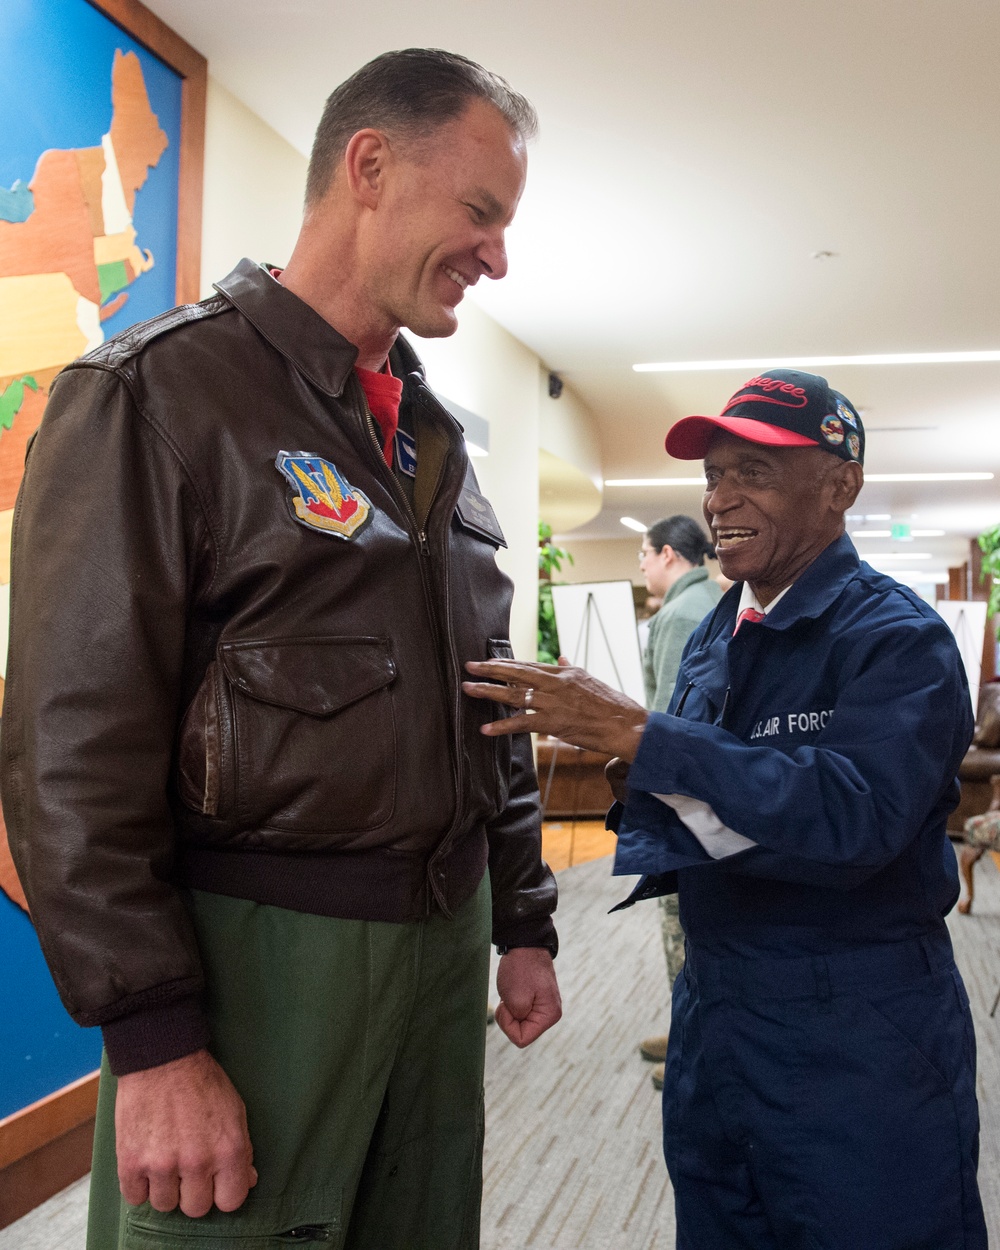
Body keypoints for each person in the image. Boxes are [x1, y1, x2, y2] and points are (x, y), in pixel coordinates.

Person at [3, 49, 561, 1250]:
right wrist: (153, 1037)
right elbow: (69, 751)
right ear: (370, 166)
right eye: (480, 211)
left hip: (443, 943)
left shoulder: (434, 440)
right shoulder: (154, 394)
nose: (497, 256)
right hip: (259, 955)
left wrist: (523, 916)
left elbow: (490, 696)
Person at [463, 369, 986, 1249]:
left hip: (858, 1028)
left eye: (754, 472)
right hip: (716, 1016)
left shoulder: (898, 639)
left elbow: (856, 818)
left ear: (841, 485)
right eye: (713, 475)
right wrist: (645, 773)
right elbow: (715, 796)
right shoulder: (720, 629)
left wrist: (648, 738)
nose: (719, 499)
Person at [637, 516, 721, 1086]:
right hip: (712, 796)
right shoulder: (713, 601)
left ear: (668, 554)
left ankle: (696, 1053)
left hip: (685, 803)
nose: (642, 566)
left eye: (644, 555)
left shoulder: (678, 616)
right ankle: (688, 1031)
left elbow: (673, 725)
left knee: (683, 927)